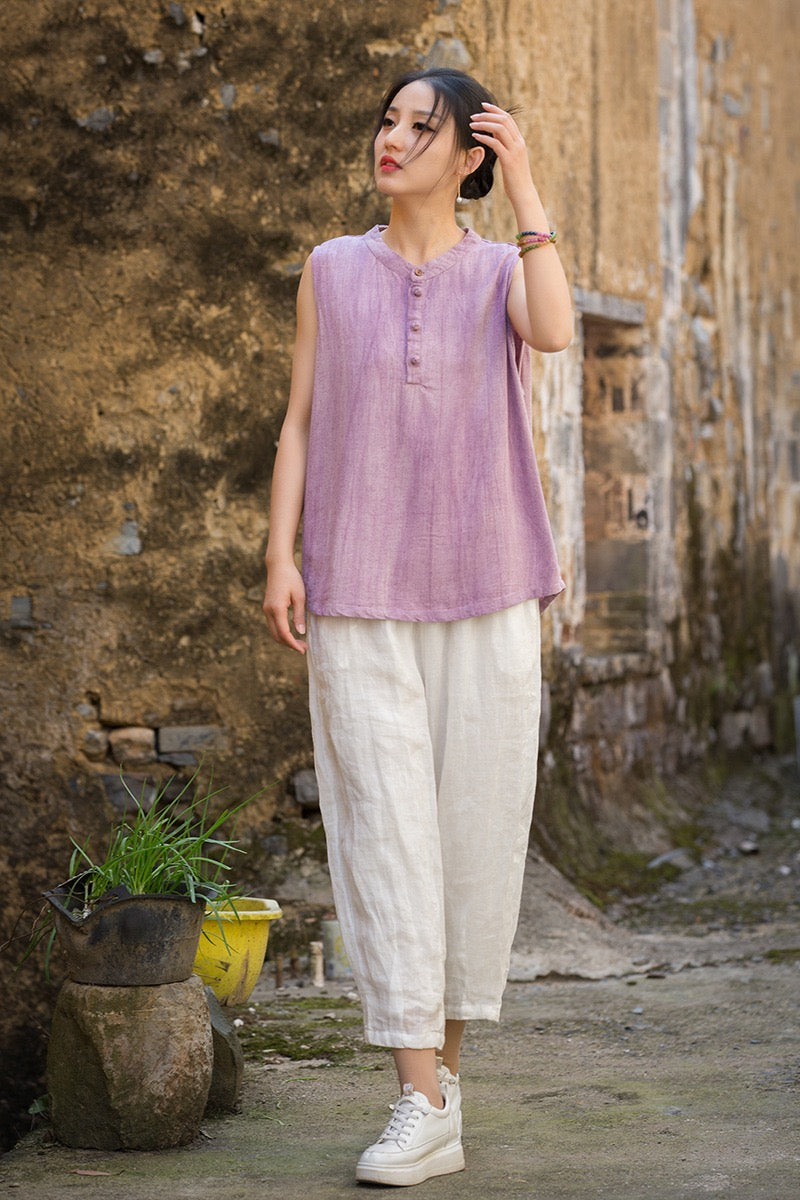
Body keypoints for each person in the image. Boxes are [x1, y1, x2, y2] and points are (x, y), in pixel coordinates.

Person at [263, 66, 572, 1187]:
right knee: (384, 837)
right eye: (386, 121)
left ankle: (438, 1088)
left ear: (467, 156)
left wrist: (526, 185)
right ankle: (418, 1098)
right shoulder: (329, 268)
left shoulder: (499, 272)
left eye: (419, 127)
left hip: (489, 588)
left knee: (471, 841)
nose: (390, 140)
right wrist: (280, 555)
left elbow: (555, 330)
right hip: (356, 588)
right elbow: (301, 421)